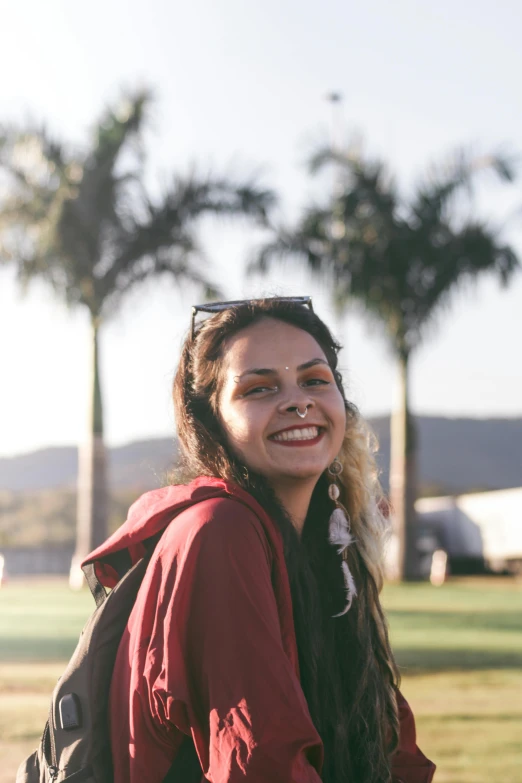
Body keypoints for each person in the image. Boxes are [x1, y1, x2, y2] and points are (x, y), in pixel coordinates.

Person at [85, 297, 435, 783]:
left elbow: (394, 747)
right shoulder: (218, 532)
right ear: (211, 423)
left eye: (315, 380)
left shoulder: (327, 546)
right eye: (259, 388)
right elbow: (259, 762)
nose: (297, 400)